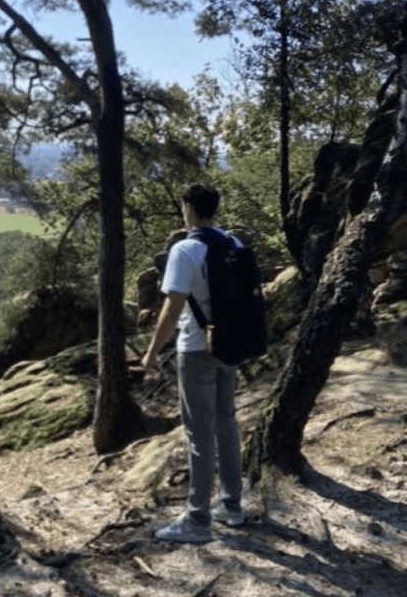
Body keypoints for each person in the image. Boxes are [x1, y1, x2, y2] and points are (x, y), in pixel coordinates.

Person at [142, 181, 244, 543]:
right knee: (227, 424)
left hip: (197, 349)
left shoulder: (185, 250)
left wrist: (152, 352)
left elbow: (172, 306)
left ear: (188, 208)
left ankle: (198, 520)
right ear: (214, 208)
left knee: (199, 432)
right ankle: (232, 506)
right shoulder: (234, 243)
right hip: (231, 346)